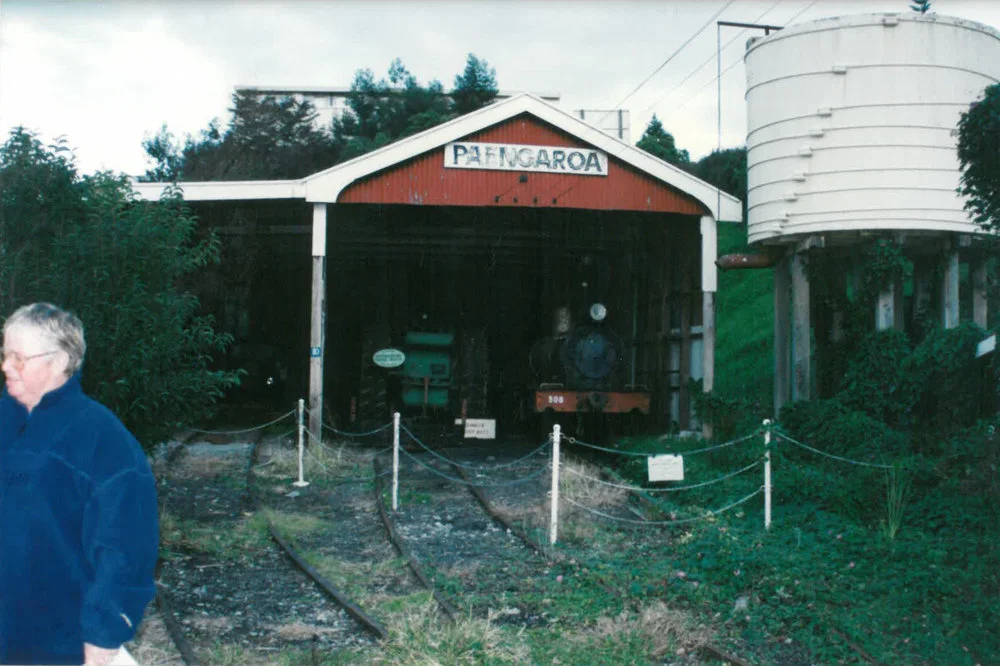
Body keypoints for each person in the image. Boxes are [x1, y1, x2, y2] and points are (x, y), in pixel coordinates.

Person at [0, 303, 159, 665]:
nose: (6, 366)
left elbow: (125, 548)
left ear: (58, 362)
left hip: (59, 644)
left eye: (18, 358)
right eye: (4, 354)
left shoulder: (104, 440)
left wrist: (104, 634)